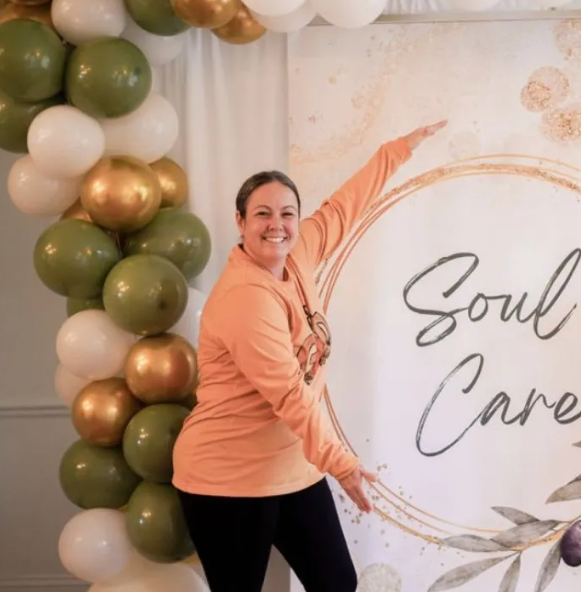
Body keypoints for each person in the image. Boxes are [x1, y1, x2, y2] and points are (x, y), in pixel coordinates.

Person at [171, 120, 447, 592]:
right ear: (240, 222)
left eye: (286, 213)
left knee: (336, 582)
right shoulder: (245, 297)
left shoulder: (296, 257)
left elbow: (342, 209)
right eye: (261, 214)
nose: (276, 225)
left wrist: (396, 150)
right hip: (228, 478)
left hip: (291, 466)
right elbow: (290, 394)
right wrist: (342, 463)